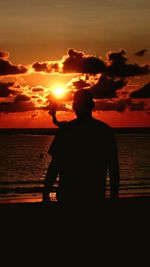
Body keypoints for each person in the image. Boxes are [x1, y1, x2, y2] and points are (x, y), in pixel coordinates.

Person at [42, 89, 120, 206]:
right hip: (95, 196)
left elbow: (55, 165)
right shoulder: (105, 131)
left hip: (68, 197)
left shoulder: (66, 131)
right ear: (92, 105)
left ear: (74, 106)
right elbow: (113, 168)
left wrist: (46, 193)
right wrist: (114, 196)